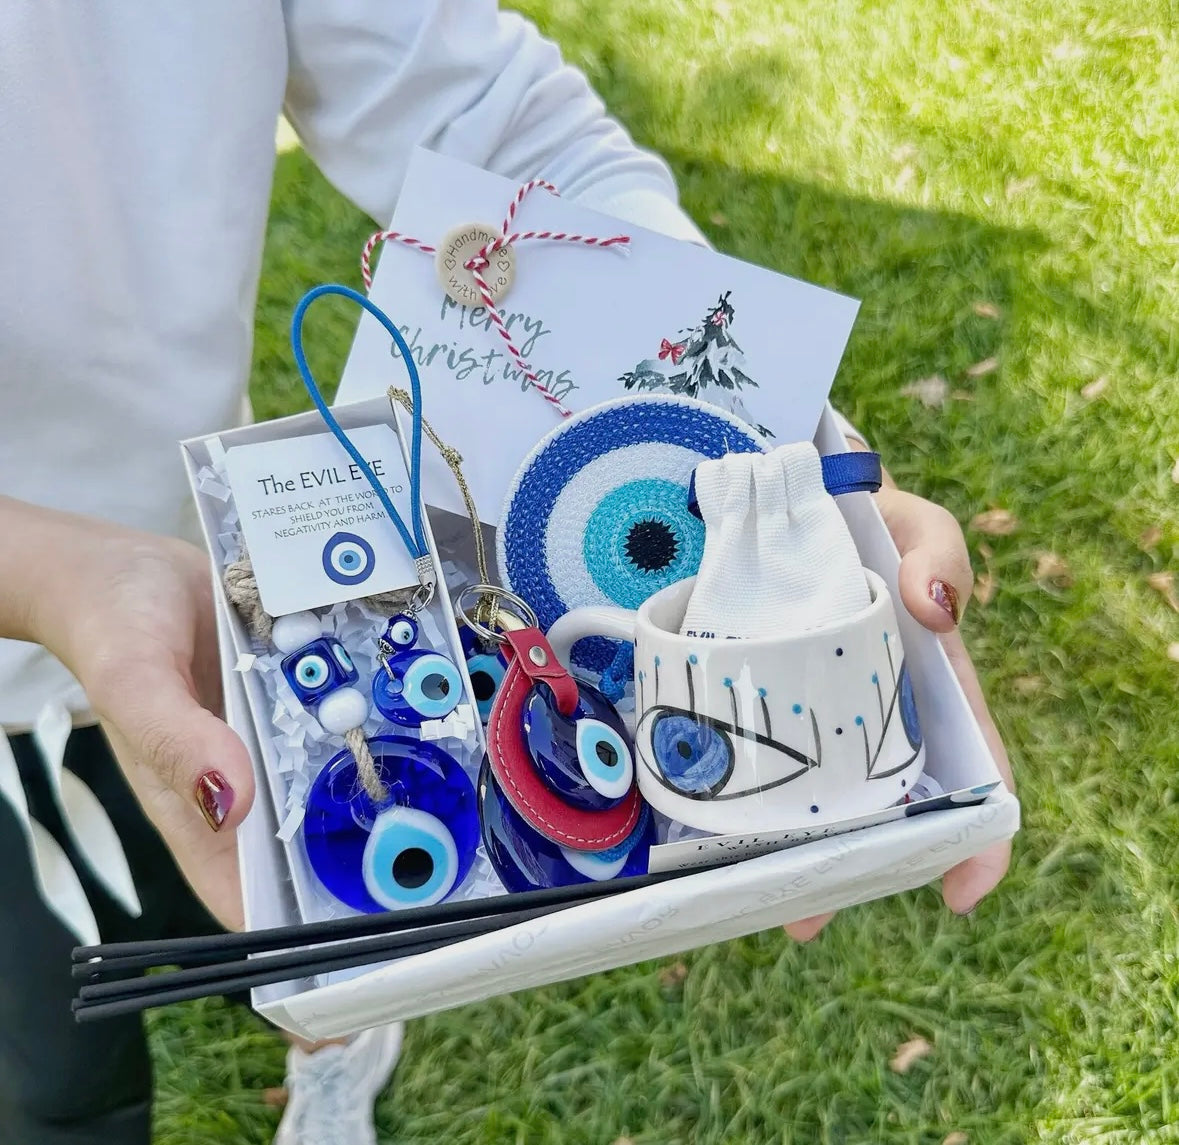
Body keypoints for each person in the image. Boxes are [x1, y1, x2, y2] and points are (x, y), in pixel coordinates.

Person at [0, 2, 1014, 1143]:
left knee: (310, 930)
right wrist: (44, 577)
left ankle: (336, 1037)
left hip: (217, 608)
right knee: (57, 1071)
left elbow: (507, 130)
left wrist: (761, 450)